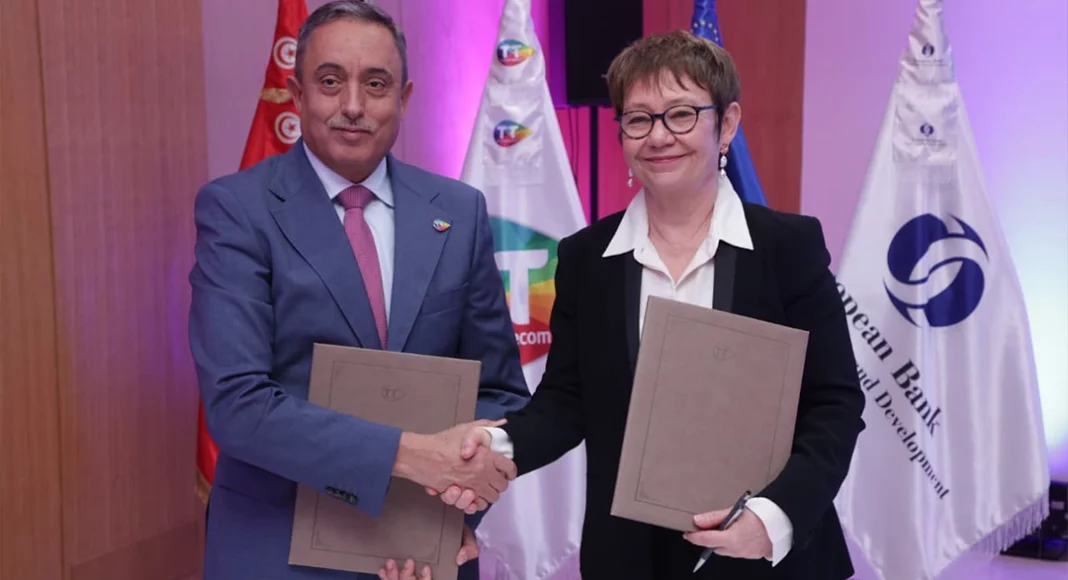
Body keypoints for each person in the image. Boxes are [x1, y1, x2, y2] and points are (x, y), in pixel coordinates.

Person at [437, 30, 866, 579]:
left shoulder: (788, 248)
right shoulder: (587, 258)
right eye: (638, 119)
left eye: (681, 114)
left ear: (726, 124)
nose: (659, 136)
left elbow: (834, 404)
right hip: (630, 558)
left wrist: (774, 516)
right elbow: (565, 404)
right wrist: (495, 442)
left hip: (766, 556)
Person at [187, 2, 529, 579]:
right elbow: (237, 404)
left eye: (375, 84)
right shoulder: (236, 211)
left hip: (426, 548)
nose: (352, 105)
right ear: (297, 96)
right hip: (278, 552)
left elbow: (500, 394)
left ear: (404, 98)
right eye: (330, 81)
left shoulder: (459, 212)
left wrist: (461, 505)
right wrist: (412, 456)